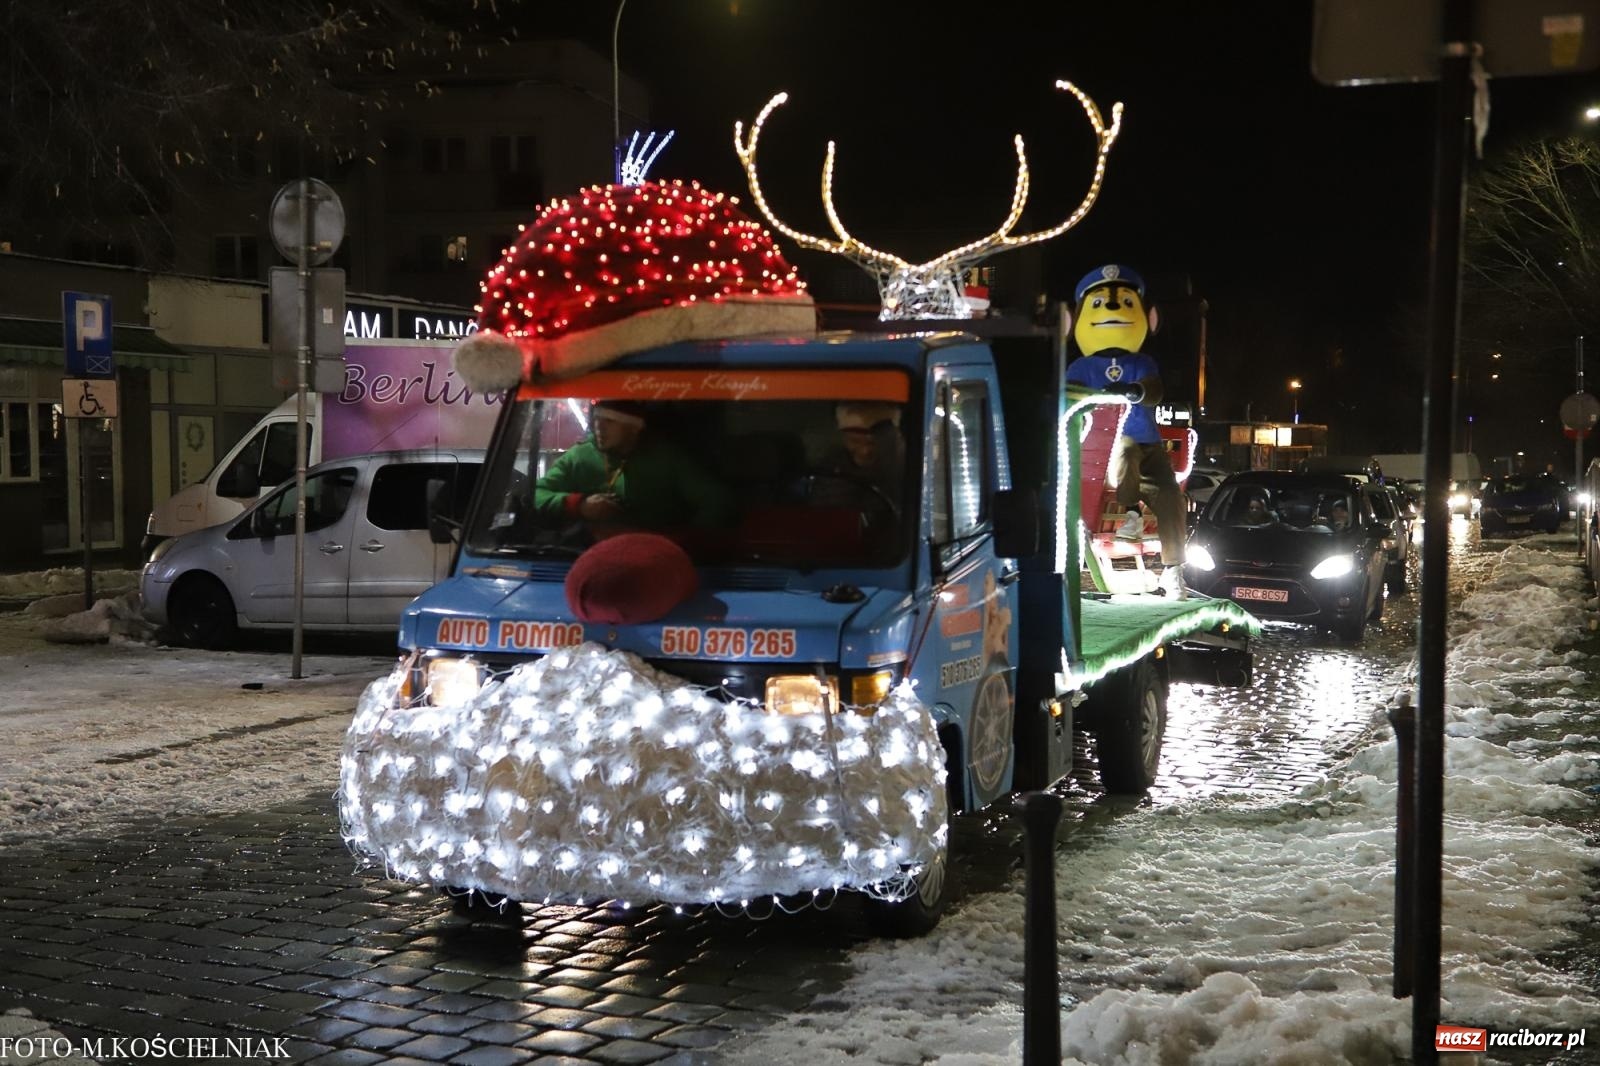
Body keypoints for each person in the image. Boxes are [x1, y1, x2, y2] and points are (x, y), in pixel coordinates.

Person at [1064, 264, 1187, 598]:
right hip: (1105, 451)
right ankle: (1131, 513)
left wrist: (1141, 390)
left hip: (1150, 442)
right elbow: (1069, 393)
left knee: (1171, 496)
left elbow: (1155, 387)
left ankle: (1174, 570)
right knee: (1125, 449)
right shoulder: (1081, 367)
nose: (1115, 311)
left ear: (1150, 319)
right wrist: (1089, 398)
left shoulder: (1142, 361)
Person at [533, 399, 733, 532]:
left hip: (655, 555)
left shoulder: (666, 457)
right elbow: (536, 494)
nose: (599, 428)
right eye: (596, 420)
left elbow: (716, 501)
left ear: (634, 428)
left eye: (610, 422)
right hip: (587, 553)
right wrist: (581, 505)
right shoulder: (580, 456)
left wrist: (684, 542)